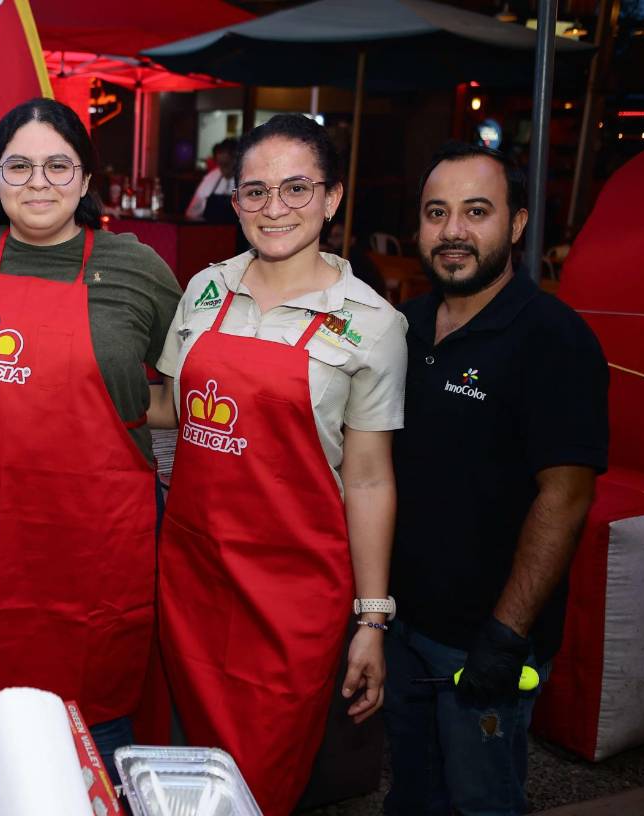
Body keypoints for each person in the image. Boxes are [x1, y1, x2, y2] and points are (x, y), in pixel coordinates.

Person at [149, 113, 408, 816]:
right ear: (233, 203)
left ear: (332, 198)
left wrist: (373, 619)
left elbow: (370, 477)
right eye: (255, 191)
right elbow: (172, 405)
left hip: (294, 590)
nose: (274, 208)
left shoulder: (374, 323)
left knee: (260, 780)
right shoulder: (204, 289)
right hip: (194, 575)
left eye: (297, 188)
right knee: (186, 767)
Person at [0, 97, 181, 774]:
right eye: (21, 166)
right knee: (7, 713)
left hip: (99, 539)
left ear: (88, 180)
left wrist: (125, 407)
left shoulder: (136, 270)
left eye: (59, 166)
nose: (39, 183)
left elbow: (187, 395)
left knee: (100, 718)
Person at [382, 142, 608, 816]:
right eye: (437, 213)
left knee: (481, 799)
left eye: (475, 212)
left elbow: (566, 496)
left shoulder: (553, 338)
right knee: (412, 792)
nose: (453, 231)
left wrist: (505, 636)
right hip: (402, 625)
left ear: (514, 225)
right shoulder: (406, 327)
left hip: (482, 641)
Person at [185, 137, 238, 222]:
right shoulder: (210, 179)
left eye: (226, 164)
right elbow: (191, 213)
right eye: (220, 164)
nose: (223, 169)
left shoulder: (248, 179)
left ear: (236, 160)